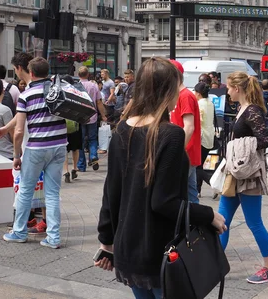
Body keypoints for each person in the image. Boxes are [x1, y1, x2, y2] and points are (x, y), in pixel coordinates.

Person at [95, 57, 226, 299]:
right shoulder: (170, 135)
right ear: (166, 90)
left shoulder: (122, 129)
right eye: (177, 85)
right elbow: (163, 202)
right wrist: (209, 215)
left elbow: (111, 192)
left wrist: (106, 242)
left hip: (129, 247)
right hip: (161, 251)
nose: (180, 92)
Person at [218, 71, 268, 284]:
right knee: (221, 221)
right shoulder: (242, 108)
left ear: (238, 88)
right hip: (236, 174)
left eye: (229, 87)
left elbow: (263, 140)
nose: (227, 91)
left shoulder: (252, 110)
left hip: (249, 174)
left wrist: (239, 148)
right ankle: (214, 265)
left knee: (254, 223)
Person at [3, 57, 67, 249]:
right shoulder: (59, 91)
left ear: (31, 73)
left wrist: (16, 155)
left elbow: (20, 131)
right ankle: (53, 237)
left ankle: (19, 231)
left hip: (36, 148)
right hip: (59, 145)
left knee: (25, 191)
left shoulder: (26, 95)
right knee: (53, 193)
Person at [169, 60, 202, 204]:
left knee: (179, 191)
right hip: (185, 151)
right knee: (190, 192)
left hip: (185, 152)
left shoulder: (185, 96)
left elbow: (189, 127)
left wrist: (177, 149)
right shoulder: (181, 95)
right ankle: (195, 223)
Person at [77, 67, 107, 171]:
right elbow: (99, 102)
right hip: (92, 116)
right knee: (92, 139)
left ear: (78, 75)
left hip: (79, 117)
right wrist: (103, 115)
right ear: (88, 74)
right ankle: (93, 156)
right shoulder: (94, 86)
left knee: (80, 141)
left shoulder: (76, 86)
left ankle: (81, 165)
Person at [194, 82, 217, 198]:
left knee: (198, 166)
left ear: (198, 93)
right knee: (200, 165)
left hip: (201, 137)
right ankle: (198, 189)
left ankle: (213, 183)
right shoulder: (210, 103)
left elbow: (199, 120)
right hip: (209, 137)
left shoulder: (199, 104)